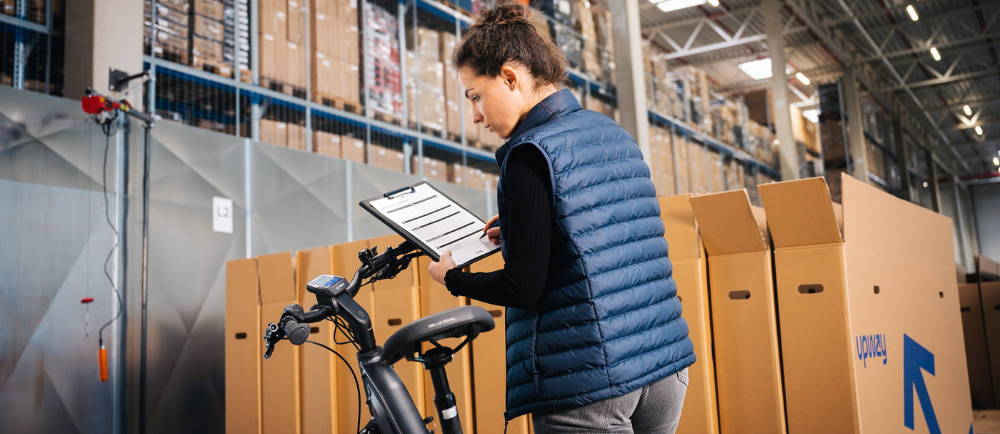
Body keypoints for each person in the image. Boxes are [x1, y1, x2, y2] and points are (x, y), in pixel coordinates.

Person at [426, 3, 694, 433]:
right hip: (664, 363)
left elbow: (524, 286)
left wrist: (453, 278)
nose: (475, 116)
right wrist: (527, 220)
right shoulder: (611, 133)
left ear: (511, 77)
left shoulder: (529, 155)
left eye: (475, 96)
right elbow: (601, 229)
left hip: (590, 379)